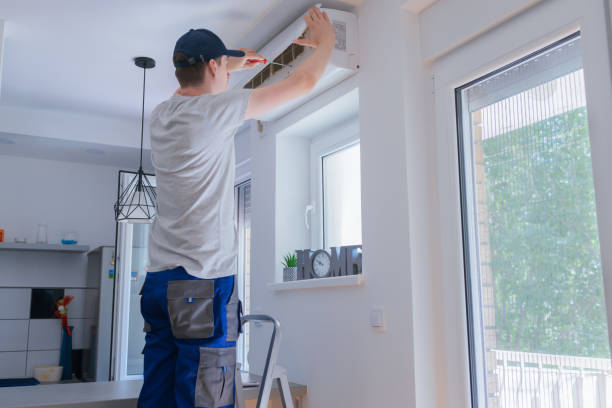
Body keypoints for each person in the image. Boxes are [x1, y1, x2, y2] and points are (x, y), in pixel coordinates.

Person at [138, 6, 335, 408]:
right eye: (222, 67)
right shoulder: (214, 111)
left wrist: (231, 63)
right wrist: (326, 39)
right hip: (200, 282)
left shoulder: (161, 116)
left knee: (158, 392)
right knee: (205, 395)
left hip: (159, 283)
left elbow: (205, 89)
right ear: (212, 66)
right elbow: (304, 82)